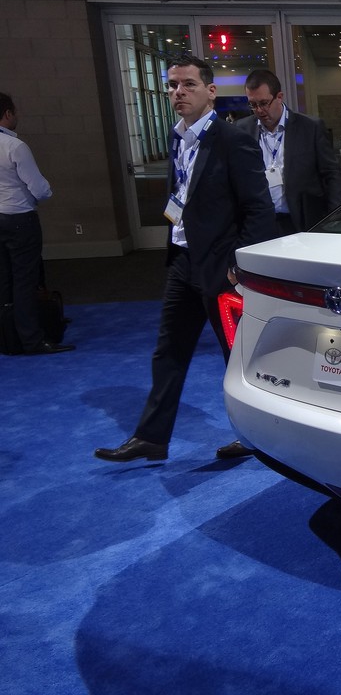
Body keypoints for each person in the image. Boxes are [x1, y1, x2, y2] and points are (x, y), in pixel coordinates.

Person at [95, 55, 277, 463]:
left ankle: (254, 436)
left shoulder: (232, 140)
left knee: (237, 356)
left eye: (188, 84)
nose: (178, 92)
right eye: (173, 85)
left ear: (210, 92)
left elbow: (258, 209)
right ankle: (151, 438)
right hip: (182, 261)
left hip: (221, 268)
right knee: (169, 351)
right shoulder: (178, 137)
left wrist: (238, 266)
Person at [0, 93, 74, 355]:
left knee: (4, 280)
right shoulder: (14, 146)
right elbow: (40, 189)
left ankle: (8, 339)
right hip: (19, 219)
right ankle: (31, 340)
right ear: (8, 113)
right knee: (25, 280)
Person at [235, 69, 341, 237]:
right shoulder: (242, 129)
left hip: (301, 222)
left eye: (264, 103)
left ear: (279, 97)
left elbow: (332, 174)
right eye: (253, 104)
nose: (259, 110)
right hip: (259, 224)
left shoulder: (310, 127)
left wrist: (334, 219)